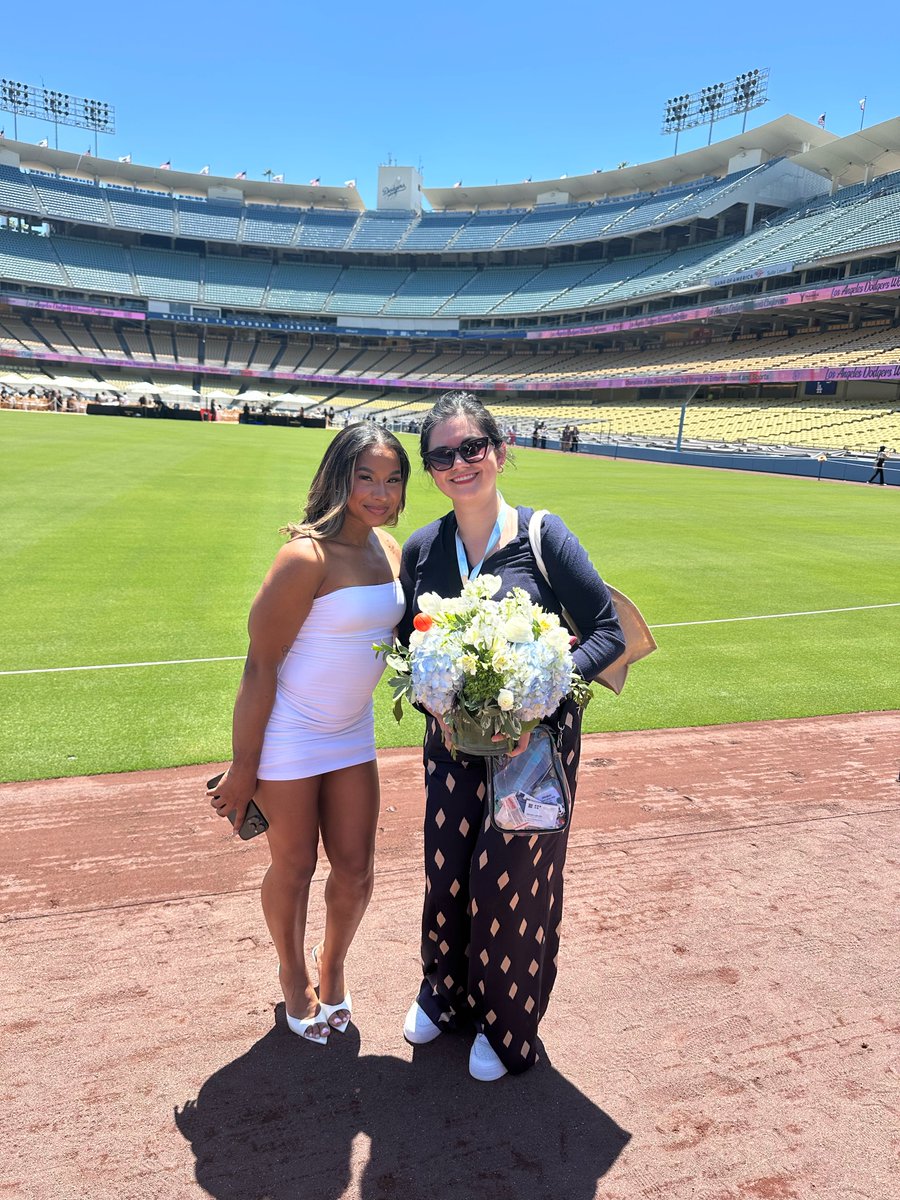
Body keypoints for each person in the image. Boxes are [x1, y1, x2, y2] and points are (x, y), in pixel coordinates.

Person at [398, 391, 625, 1081]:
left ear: (500, 450)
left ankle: (506, 1027)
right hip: (452, 752)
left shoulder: (543, 537)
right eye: (443, 455)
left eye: (473, 448)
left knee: (511, 888)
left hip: (533, 754)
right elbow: (406, 646)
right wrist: (428, 698)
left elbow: (608, 634)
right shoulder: (423, 549)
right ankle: (444, 991)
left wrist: (543, 692)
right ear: (431, 469)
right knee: (447, 876)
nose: (460, 464)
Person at [208, 424, 410, 1045]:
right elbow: (259, 665)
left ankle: (334, 964)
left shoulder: (392, 550)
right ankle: (294, 976)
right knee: (293, 866)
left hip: (352, 732)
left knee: (356, 868)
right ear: (339, 477)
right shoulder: (305, 557)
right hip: (290, 735)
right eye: (366, 477)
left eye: (393, 478)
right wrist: (245, 768)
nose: (379, 492)